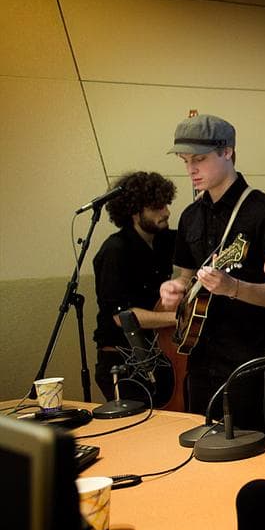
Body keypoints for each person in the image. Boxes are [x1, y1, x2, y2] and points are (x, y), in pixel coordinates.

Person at [159, 114, 265, 439]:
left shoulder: (264, 212)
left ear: (228, 152)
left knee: (257, 453)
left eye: (200, 160)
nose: (191, 169)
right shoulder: (190, 216)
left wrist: (235, 288)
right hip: (201, 357)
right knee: (203, 448)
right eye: (185, 161)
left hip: (251, 360)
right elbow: (185, 274)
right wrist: (174, 288)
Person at [92, 171, 177, 404]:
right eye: (156, 207)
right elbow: (123, 316)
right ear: (134, 212)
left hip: (157, 356)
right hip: (122, 361)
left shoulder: (165, 241)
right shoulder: (115, 251)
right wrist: (178, 318)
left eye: (166, 204)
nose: (166, 212)